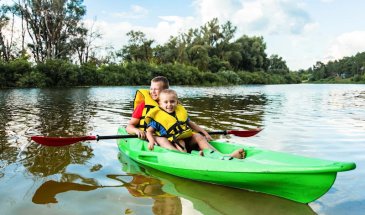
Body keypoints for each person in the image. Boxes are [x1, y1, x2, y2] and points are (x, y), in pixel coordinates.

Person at [145, 89, 246, 159]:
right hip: (174, 142)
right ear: (160, 104)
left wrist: (204, 132)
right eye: (165, 102)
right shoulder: (157, 118)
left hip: (186, 139)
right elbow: (148, 132)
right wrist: (150, 141)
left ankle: (223, 156)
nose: (169, 105)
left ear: (177, 102)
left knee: (198, 136)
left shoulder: (180, 112)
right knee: (181, 142)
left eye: (172, 102)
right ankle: (193, 158)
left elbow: (191, 124)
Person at [126, 76, 180, 150]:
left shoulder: (173, 105)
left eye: (156, 89)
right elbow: (129, 126)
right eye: (151, 88)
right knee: (163, 140)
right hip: (151, 136)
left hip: (172, 135)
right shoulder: (143, 105)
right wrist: (136, 130)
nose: (152, 92)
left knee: (196, 137)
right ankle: (180, 155)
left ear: (165, 90)